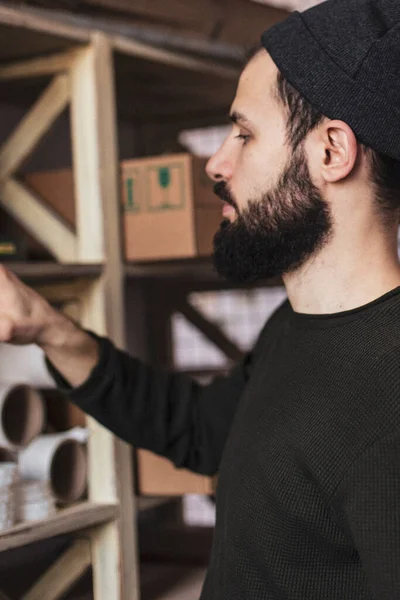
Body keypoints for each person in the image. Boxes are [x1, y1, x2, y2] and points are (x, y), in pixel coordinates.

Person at [0, 0, 400, 597]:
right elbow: (198, 429)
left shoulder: (388, 400)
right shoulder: (295, 326)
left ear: (331, 152)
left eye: (244, 133)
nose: (216, 162)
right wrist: (50, 329)